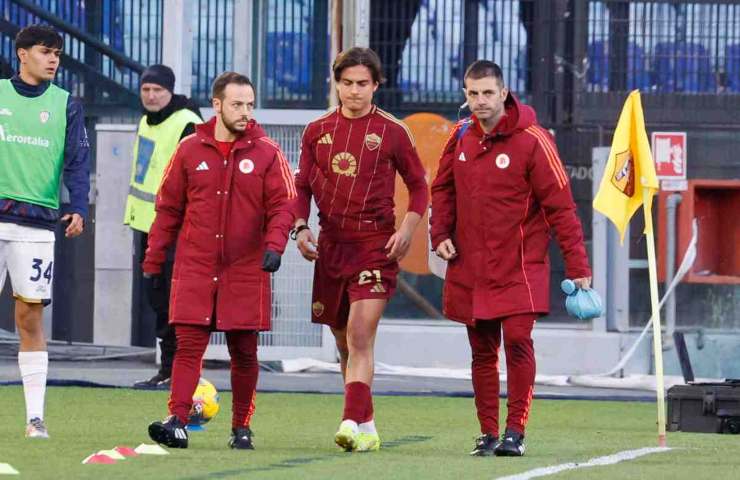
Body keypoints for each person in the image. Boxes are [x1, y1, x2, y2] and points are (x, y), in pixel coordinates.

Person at [430, 60, 591, 457]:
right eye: (473, 93)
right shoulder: (460, 135)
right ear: (465, 95)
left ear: (504, 93)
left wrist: (578, 266)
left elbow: (561, 207)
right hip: (471, 265)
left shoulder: (534, 139)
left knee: (518, 340)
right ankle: (488, 433)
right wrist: (440, 234)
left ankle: (515, 432)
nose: (480, 101)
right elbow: (442, 189)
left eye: (488, 92)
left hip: (520, 265)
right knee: (482, 351)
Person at [144, 71, 295, 449]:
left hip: (246, 268)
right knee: (187, 347)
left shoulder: (268, 152)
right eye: (237, 104)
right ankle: (177, 421)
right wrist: (153, 260)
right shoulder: (189, 149)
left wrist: (275, 245)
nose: (245, 112)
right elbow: (167, 209)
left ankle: (241, 428)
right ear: (217, 105)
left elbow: (284, 205)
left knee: (244, 352)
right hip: (195, 265)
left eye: (250, 105)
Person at [292, 47, 428, 452]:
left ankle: (349, 420)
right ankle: (366, 427)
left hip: (375, 246)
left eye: (362, 84)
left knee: (359, 334)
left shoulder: (392, 131)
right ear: (336, 84)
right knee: (342, 342)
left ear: (376, 85)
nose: (354, 91)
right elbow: (301, 187)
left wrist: (407, 230)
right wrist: (300, 227)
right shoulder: (316, 130)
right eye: (347, 83)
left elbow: (419, 187)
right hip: (331, 246)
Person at [0, 25, 90, 438]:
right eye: (44, 51)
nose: (53, 59)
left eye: (57, 54)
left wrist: (77, 207)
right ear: (22, 54)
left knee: (30, 318)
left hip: (36, 225)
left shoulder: (66, 104)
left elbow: (77, 161)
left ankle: (35, 419)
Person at [124, 64, 203, 389]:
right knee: (157, 299)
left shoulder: (188, 123)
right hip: (148, 226)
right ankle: (168, 370)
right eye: (146, 89)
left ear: (170, 91)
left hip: (177, 229)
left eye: (158, 90)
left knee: (175, 300)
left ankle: (179, 371)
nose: (151, 96)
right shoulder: (147, 121)